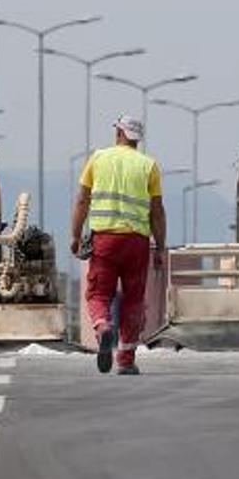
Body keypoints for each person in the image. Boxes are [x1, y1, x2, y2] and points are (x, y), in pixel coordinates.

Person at [70, 114, 166, 375]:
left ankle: (103, 327)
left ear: (118, 134)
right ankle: (125, 360)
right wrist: (160, 247)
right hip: (137, 243)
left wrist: (76, 236)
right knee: (133, 299)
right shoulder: (149, 166)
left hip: (105, 241)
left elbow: (82, 201)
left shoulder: (98, 158)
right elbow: (157, 211)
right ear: (137, 139)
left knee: (99, 294)